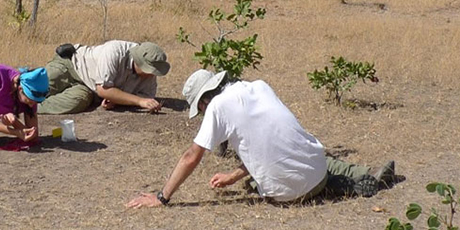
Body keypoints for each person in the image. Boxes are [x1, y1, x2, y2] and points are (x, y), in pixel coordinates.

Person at [126, 69, 395, 208]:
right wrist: (232, 175)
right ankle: (359, 176)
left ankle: (342, 185)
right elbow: (270, 143)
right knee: (317, 159)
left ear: (205, 100)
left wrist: (162, 197)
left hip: (287, 194)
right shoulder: (258, 86)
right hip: (317, 166)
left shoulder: (217, 107)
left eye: (200, 108)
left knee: (257, 182)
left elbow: (191, 156)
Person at [37, 40, 170, 115]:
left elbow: (144, 96)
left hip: (87, 86)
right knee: (39, 87)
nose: (151, 74)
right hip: (71, 65)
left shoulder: (149, 76)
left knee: (77, 102)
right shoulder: (114, 51)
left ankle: (31, 107)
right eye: (149, 70)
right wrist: (140, 101)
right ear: (138, 61)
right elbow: (104, 89)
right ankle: (21, 94)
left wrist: (117, 100)